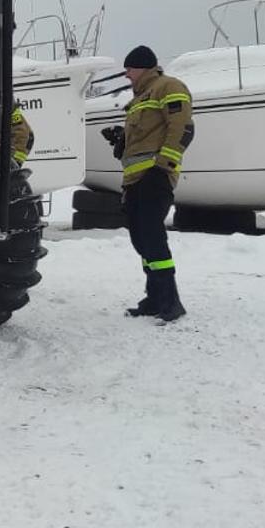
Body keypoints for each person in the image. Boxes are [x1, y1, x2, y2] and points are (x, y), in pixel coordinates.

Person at [100, 46, 193, 322]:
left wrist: (164, 166)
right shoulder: (140, 98)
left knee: (153, 238)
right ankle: (154, 298)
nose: (126, 75)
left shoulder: (168, 86)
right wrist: (121, 140)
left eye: (129, 69)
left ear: (142, 67)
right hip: (134, 181)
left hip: (155, 177)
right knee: (141, 239)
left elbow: (182, 127)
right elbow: (145, 136)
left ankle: (170, 302)